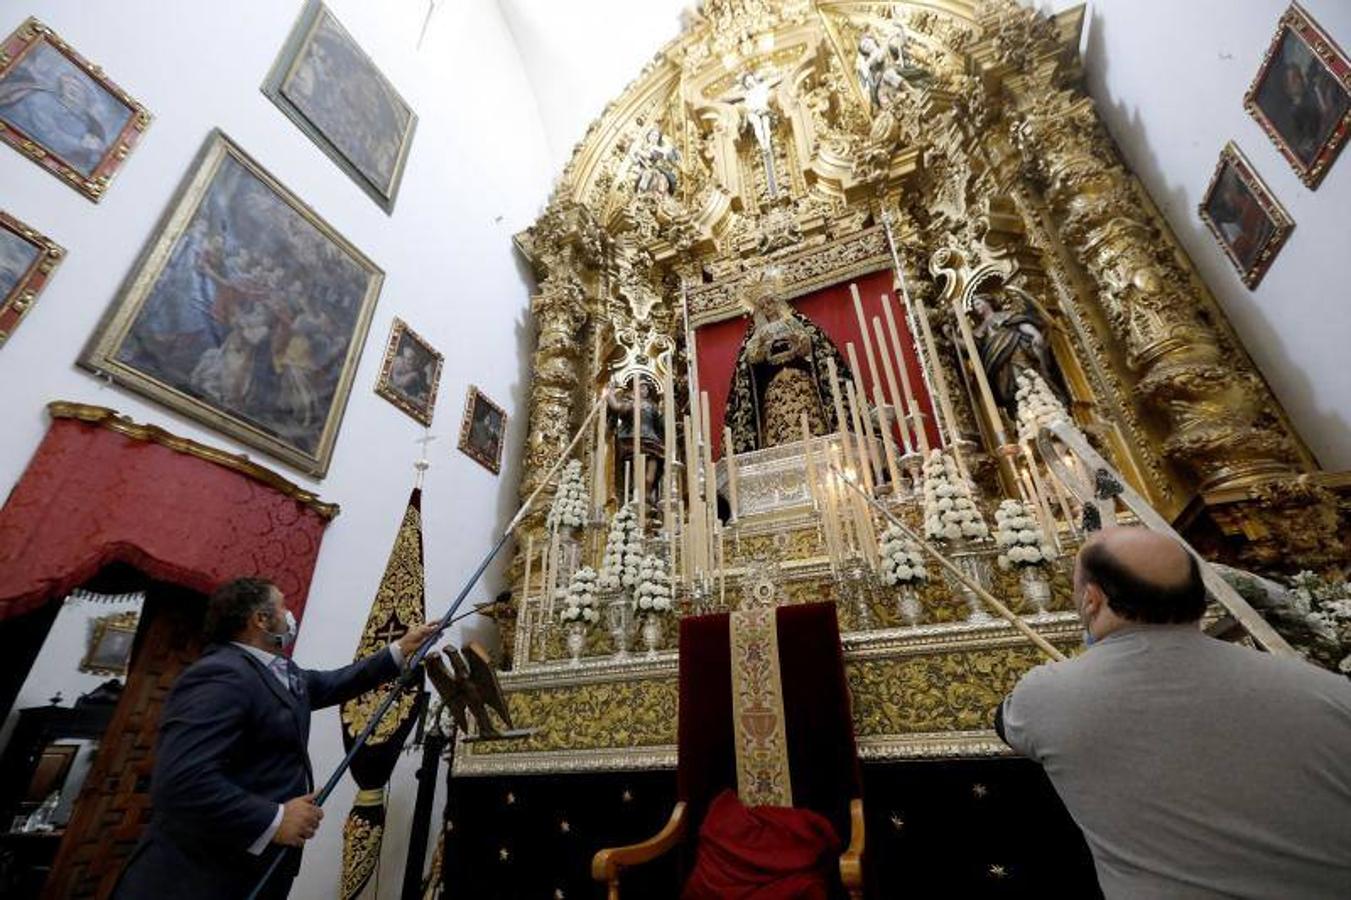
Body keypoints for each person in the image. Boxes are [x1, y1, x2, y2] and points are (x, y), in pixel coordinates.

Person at [996, 527, 1351, 898]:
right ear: (1199, 597)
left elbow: (1005, 722)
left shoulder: (1048, 694)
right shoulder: (1329, 690)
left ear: (1091, 598)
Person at [112, 577, 441, 900]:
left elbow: (335, 683)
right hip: (198, 876)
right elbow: (181, 781)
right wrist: (273, 818)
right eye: (283, 606)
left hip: (251, 868)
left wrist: (400, 650)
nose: (289, 614)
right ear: (260, 619)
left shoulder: (278, 670)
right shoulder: (220, 674)